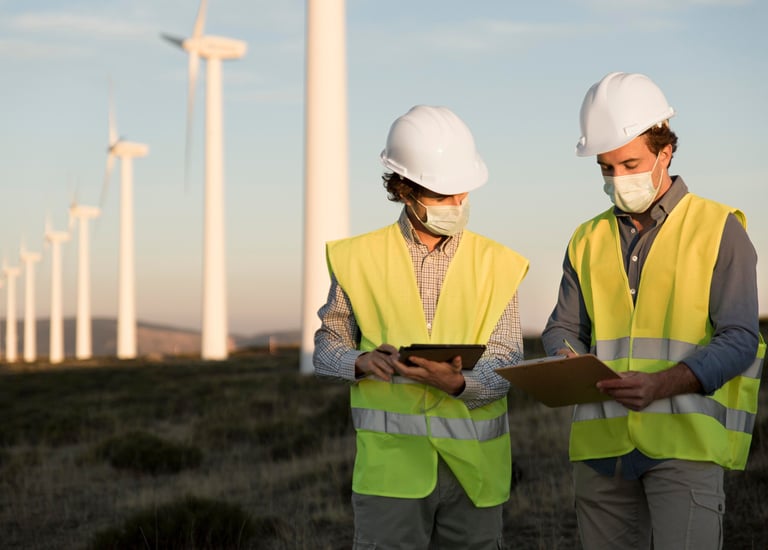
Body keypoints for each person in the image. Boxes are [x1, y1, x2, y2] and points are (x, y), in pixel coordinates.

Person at [542, 71, 765, 550]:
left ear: (666, 152)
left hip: (685, 446)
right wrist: (566, 360)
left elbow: (740, 338)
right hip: (601, 452)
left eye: (630, 163)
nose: (618, 179)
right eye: (606, 168)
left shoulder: (719, 228)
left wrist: (661, 384)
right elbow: (563, 327)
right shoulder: (586, 238)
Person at [313, 104, 529, 549]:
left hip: (475, 477)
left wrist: (460, 385)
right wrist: (360, 362)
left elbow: (507, 360)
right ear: (404, 190)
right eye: (442, 195)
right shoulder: (357, 259)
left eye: (462, 193)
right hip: (391, 478)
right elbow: (325, 348)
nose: (456, 205)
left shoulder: (499, 264)